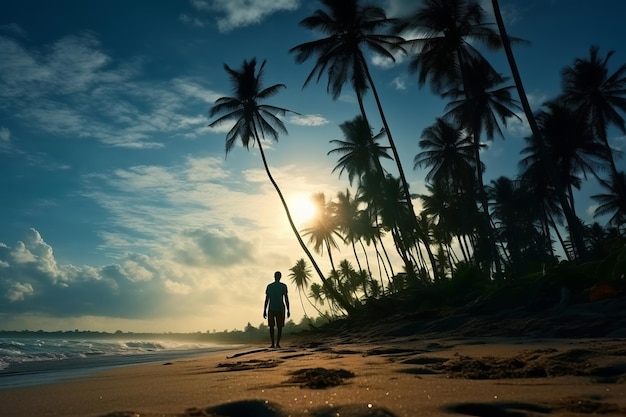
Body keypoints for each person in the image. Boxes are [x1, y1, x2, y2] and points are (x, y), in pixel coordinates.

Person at [263, 271, 290, 348]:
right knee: (279, 327)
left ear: (274, 276)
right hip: (279, 308)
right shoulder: (283, 286)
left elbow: (266, 299)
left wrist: (264, 310)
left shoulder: (270, 286)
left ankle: (273, 343)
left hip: (272, 308)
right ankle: (277, 343)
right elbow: (286, 299)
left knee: (273, 327)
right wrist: (288, 309)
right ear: (280, 277)